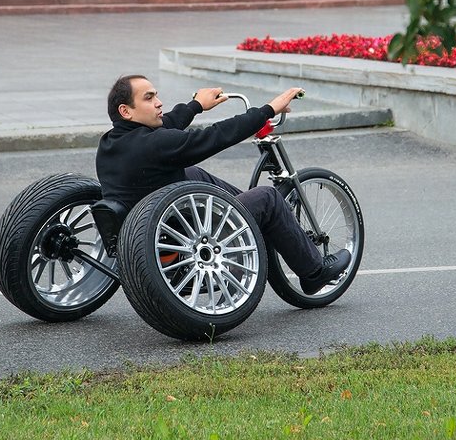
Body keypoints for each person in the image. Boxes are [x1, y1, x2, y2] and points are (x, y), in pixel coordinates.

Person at [95, 75, 351, 294]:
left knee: (192, 173)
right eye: (149, 98)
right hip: (184, 239)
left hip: (147, 237)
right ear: (126, 111)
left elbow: (165, 126)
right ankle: (315, 273)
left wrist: (196, 105)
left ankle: (256, 219)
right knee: (268, 198)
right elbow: (216, 135)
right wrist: (267, 111)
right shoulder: (155, 145)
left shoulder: (110, 144)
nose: (159, 102)